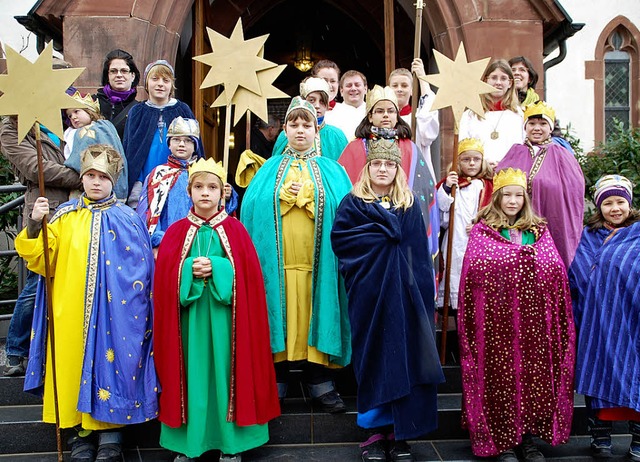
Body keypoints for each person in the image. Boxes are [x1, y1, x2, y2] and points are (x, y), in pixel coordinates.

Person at [14, 144, 158, 462]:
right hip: (70, 312)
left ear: (113, 181)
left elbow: (143, 271)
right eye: (90, 175)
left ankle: (111, 432)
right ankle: (79, 434)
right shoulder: (65, 217)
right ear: (82, 178)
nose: (95, 182)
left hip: (116, 316)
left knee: (115, 365)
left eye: (102, 177)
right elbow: (40, 260)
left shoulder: (129, 220)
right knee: (72, 367)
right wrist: (36, 222)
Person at [153, 157, 280, 462]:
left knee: (227, 375)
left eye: (212, 187)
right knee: (191, 376)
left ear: (223, 192)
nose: (205, 193)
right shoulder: (175, 233)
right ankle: (189, 444)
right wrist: (186, 273)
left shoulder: (236, 231)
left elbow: (249, 278)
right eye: (199, 187)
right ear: (189, 191)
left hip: (228, 322)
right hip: (190, 321)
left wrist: (220, 268)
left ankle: (230, 443)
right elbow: (163, 281)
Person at [331, 139, 444, 462]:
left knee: (404, 358)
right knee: (375, 357)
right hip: (370, 294)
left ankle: (399, 432)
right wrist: (381, 241)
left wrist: (421, 294)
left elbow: (418, 256)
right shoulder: (352, 204)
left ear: (398, 170)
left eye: (390, 165)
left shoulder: (408, 206)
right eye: (378, 164)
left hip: (406, 296)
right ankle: (374, 431)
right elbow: (343, 241)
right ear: (368, 168)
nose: (383, 169)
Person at [241, 97, 352, 413]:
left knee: (317, 313)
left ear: (317, 130)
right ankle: (275, 379)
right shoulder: (268, 170)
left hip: (319, 266)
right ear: (284, 130)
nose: (301, 130)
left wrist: (313, 201)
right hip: (278, 266)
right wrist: (277, 197)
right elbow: (251, 210)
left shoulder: (333, 170)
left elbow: (344, 211)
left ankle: (320, 380)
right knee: (278, 314)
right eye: (294, 124)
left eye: (307, 124)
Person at [458, 167, 575, 461]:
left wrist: (527, 261)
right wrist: (514, 260)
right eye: (506, 195)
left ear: (526, 198)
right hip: (497, 322)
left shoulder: (539, 231)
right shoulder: (484, 231)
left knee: (532, 378)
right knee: (500, 377)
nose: (512, 201)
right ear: (496, 198)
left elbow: (554, 269)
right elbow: (475, 273)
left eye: (518, 195)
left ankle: (527, 438)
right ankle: (502, 440)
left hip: (534, 322)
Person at [1, 115, 82, 377]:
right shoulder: (11, 128)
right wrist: (83, 176)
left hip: (76, 210)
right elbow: (36, 168)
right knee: (38, 281)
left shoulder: (64, 120)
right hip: (46, 209)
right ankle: (16, 349)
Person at [568, 175, 640, 461]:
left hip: (632, 320)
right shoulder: (588, 235)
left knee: (636, 373)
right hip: (597, 319)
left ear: (629, 204)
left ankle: (637, 439)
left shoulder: (637, 233)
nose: (615, 208)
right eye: (608, 203)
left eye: (620, 201)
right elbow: (579, 272)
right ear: (599, 207)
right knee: (596, 371)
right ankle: (600, 436)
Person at [338, 85, 439, 263]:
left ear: (397, 115)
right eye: (379, 111)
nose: (386, 115)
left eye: (391, 111)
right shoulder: (354, 148)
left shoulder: (410, 148)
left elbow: (424, 189)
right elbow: (342, 189)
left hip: (403, 226)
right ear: (370, 116)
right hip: (365, 228)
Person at [496, 101, 585, 269]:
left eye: (543, 124)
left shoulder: (562, 155)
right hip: (516, 220)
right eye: (532, 123)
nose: (537, 128)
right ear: (525, 127)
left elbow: (574, 189)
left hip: (551, 218)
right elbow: (499, 184)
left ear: (550, 128)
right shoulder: (515, 152)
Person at [123, 59, 197, 207]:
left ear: (172, 85)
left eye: (166, 80)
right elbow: (130, 150)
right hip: (144, 180)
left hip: (177, 180)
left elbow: (195, 146)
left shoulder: (182, 110)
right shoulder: (137, 112)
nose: (160, 84)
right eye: (155, 79)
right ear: (146, 83)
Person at [436, 138, 493, 311]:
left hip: (480, 244)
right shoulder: (454, 184)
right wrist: (446, 188)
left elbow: (496, 214)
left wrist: (481, 227)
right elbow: (441, 213)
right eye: (466, 159)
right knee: (454, 274)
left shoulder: (489, 186)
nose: (472, 163)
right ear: (458, 162)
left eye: (476, 159)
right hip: (455, 240)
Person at [63, 89, 129, 201]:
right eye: (69, 116)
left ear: (89, 111)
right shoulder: (76, 132)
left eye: (77, 111)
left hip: (100, 188)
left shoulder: (96, 129)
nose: (73, 117)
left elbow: (77, 163)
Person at [458, 59, 524, 168]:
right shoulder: (470, 115)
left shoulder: (519, 115)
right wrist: (484, 165)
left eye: (503, 78)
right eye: (493, 78)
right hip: (478, 175)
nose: (498, 82)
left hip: (509, 176)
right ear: (485, 81)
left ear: (510, 83)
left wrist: (503, 164)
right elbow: (463, 148)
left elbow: (522, 149)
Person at [272, 77, 348, 161]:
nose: (317, 106)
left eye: (322, 101)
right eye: (312, 100)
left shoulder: (336, 135)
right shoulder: (286, 135)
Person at [388, 59, 440, 179]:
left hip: (414, 176)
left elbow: (428, 133)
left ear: (412, 90)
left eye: (404, 85)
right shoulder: (381, 119)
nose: (399, 89)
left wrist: (422, 78)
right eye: (395, 86)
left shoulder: (418, 118)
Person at [95, 49, 141, 140]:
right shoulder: (93, 103)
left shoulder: (139, 109)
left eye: (124, 71)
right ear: (107, 76)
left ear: (133, 76)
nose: (119, 75)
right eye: (113, 71)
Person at [324, 70, 367, 140]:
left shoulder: (374, 112)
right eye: (348, 85)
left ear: (365, 89)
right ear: (341, 91)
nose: (353, 88)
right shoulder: (329, 116)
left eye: (357, 85)